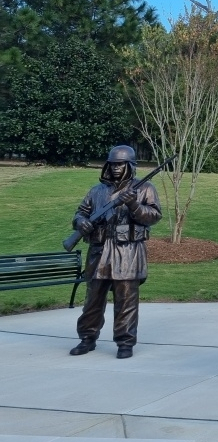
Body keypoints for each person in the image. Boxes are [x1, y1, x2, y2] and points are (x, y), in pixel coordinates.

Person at [69, 145, 162, 359]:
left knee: (126, 300)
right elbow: (80, 213)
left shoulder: (145, 188)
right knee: (93, 299)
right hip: (99, 251)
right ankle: (87, 338)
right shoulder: (97, 191)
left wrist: (134, 205)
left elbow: (154, 216)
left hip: (128, 252)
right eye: (113, 164)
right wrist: (81, 222)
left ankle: (125, 342)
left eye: (121, 164)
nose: (116, 168)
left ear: (130, 165)